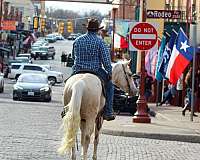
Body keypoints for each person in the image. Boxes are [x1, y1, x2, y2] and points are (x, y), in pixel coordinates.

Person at [71, 18, 115, 121]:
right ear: (98, 30)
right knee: (110, 86)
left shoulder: (77, 40)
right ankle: (108, 111)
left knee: (69, 84)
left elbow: (73, 57)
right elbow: (106, 61)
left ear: (87, 29)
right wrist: (109, 72)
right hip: (95, 70)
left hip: (78, 70)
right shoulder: (100, 42)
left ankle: (66, 109)